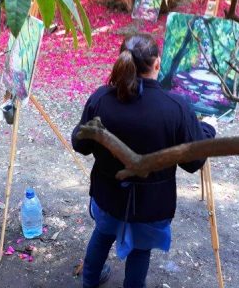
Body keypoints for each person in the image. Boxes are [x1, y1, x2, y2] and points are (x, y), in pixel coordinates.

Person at [72, 33, 216, 288]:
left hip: (107, 196)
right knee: (140, 251)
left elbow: (80, 144)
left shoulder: (101, 98)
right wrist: (207, 131)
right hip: (151, 206)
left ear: (122, 60)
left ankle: (89, 282)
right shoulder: (176, 107)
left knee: (102, 235)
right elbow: (194, 163)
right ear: (157, 64)